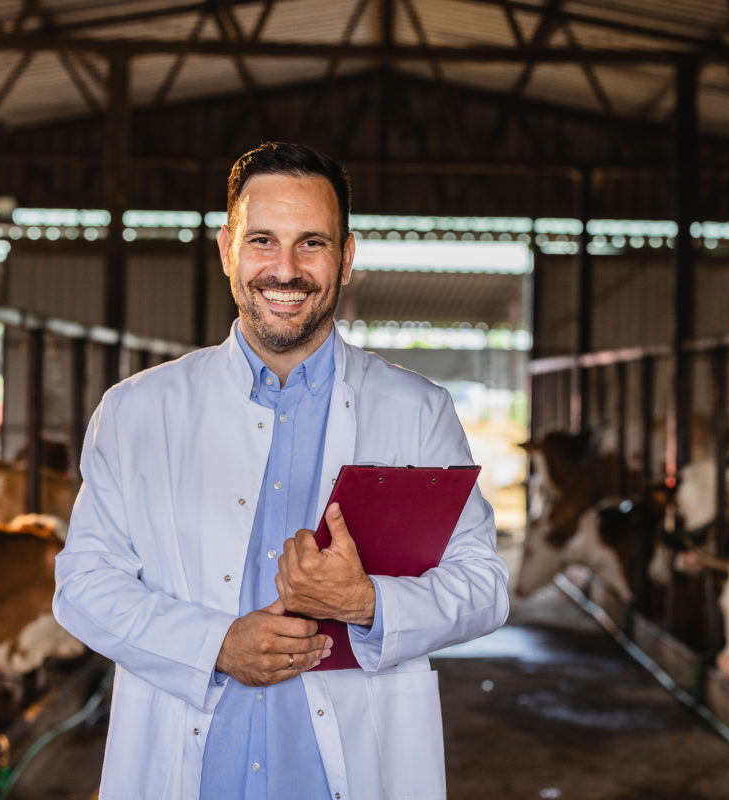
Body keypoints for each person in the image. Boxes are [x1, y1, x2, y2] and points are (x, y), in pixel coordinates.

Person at [53, 141, 509, 800]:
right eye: (262, 240)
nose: (286, 270)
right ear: (226, 250)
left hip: (354, 771)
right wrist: (215, 645)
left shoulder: (416, 411)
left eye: (313, 243)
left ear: (347, 257)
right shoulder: (137, 412)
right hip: (189, 772)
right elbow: (83, 585)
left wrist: (368, 604)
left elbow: (485, 585)